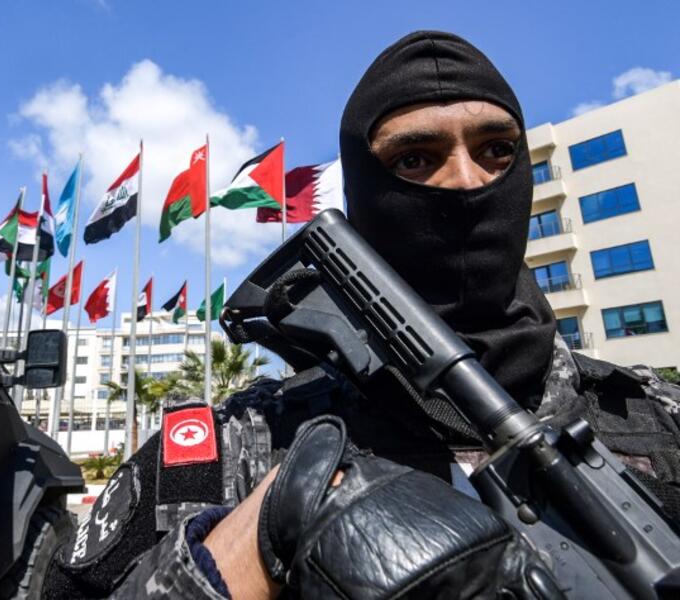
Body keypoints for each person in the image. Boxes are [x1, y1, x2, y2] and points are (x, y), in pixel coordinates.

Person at [42, 31, 680, 599]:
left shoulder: (651, 415)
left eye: (495, 149)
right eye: (414, 158)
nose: (464, 181)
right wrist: (250, 551)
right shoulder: (243, 443)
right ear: (364, 194)